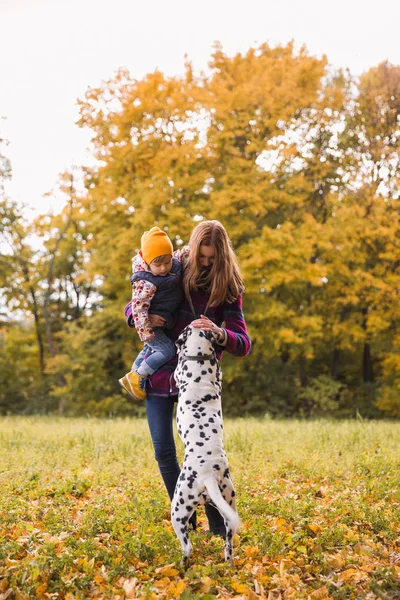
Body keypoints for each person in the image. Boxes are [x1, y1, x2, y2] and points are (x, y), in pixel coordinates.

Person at [124, 220, 251, 536]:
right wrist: (139, 317)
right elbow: (135, 299)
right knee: (163, 450)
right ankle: (186, 516)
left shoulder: (229, 287)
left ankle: (219, 526)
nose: (206, 263)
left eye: (212, 258)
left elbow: (243, 342)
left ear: (221, 256)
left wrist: (220, 333)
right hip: (162, 373)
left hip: (197, 380)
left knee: (202, 452)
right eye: (202, 256)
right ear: (193, 250)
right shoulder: (176, 267)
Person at [119, 226, 182, 401]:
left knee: (151, 349)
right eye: (158, 264)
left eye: (167, 262)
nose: (163, 268)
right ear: (147, 262)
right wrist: (146, 331)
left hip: (163, 321)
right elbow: (137, 307)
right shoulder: (145, 282)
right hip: (150, 326)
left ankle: (132, 376)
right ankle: (138, 374)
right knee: (168, 350)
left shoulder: (172, 264)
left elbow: (180, 255)